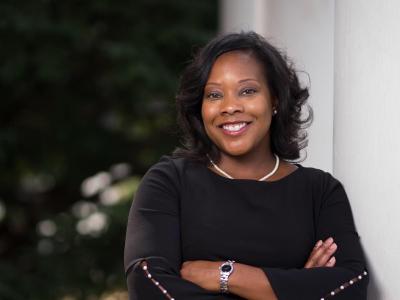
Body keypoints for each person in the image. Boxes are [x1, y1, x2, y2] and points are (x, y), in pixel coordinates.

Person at [124, 31, 369, 300]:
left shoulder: (320, 192)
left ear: (275, 99)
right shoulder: (169, 181)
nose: (230, 106)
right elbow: (148, 284)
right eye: (214, 95)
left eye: (248, 91)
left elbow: (350, 286)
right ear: (200, 107)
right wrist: (293, 289)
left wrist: (226, 275)